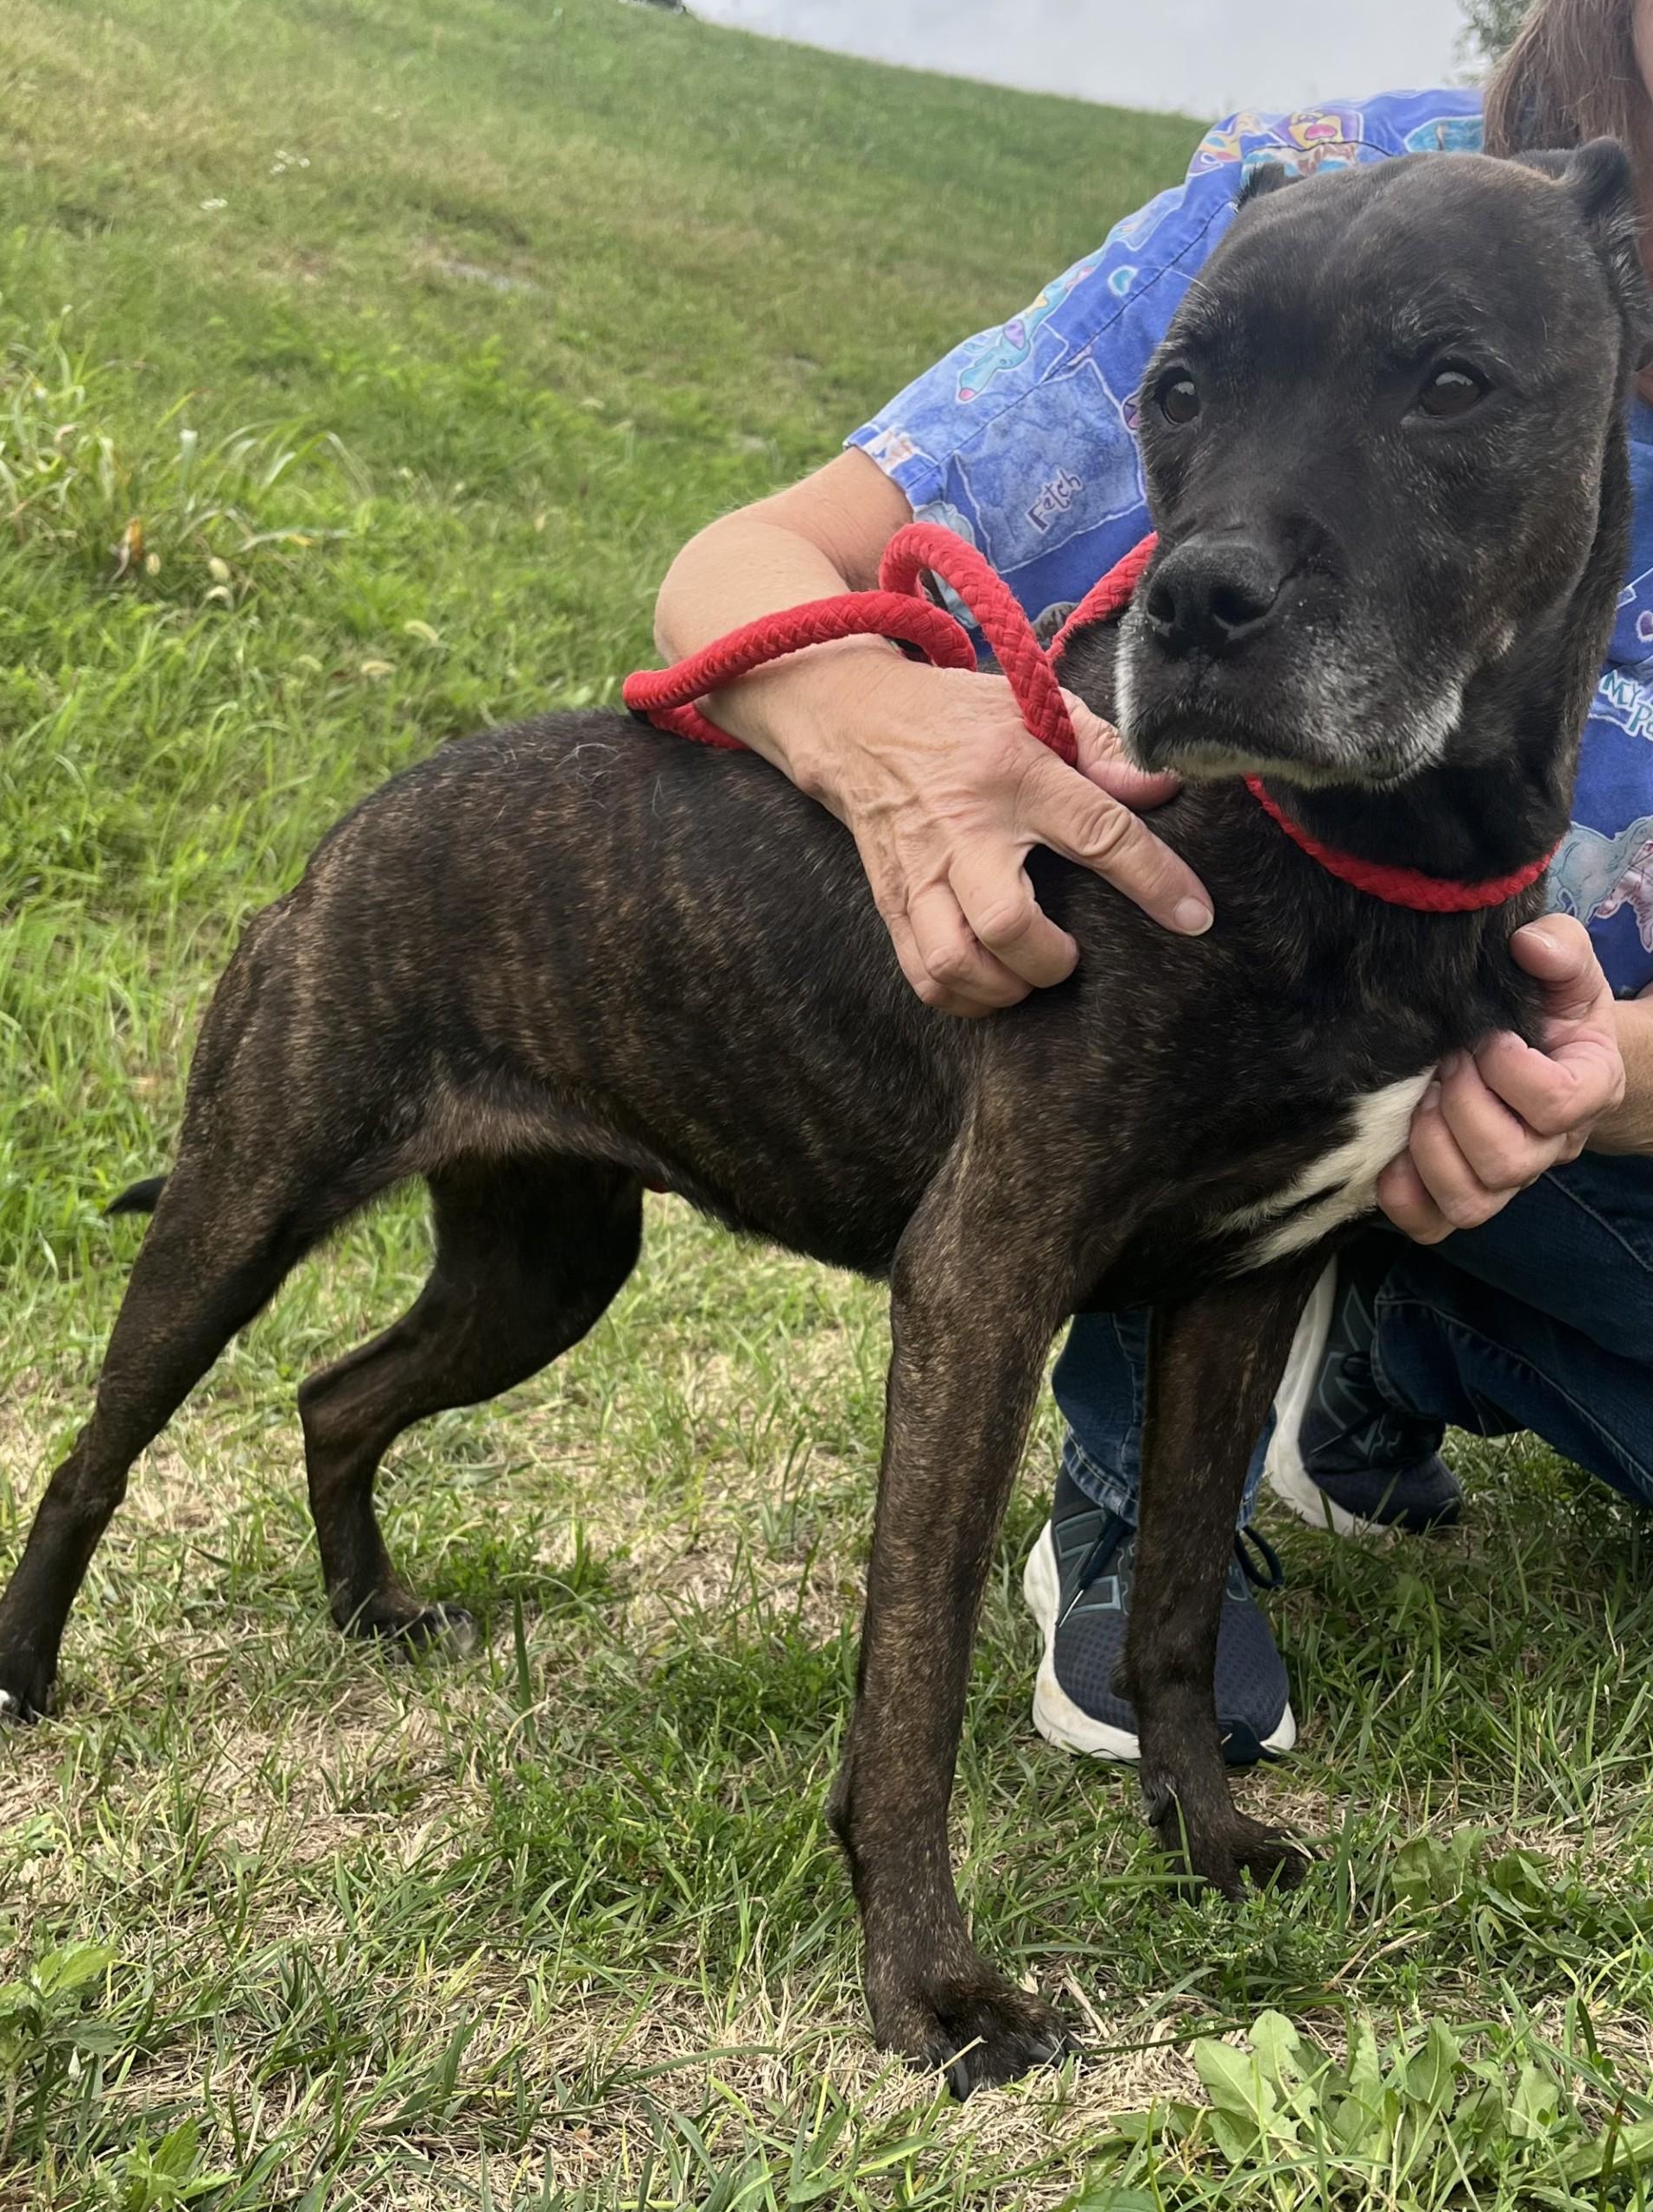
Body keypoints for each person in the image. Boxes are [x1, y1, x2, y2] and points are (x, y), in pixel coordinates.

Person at [653, 0, 1653, 1767]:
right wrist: (883, 728)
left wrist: (1606, 1079)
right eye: (1192, 401)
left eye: (1443, 391)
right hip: (1216, 1024)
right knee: (1172, 958)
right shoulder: (1317, 199)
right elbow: (744, 561)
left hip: (1548, 1098)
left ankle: (1394, 1349)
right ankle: (1139, 1475)